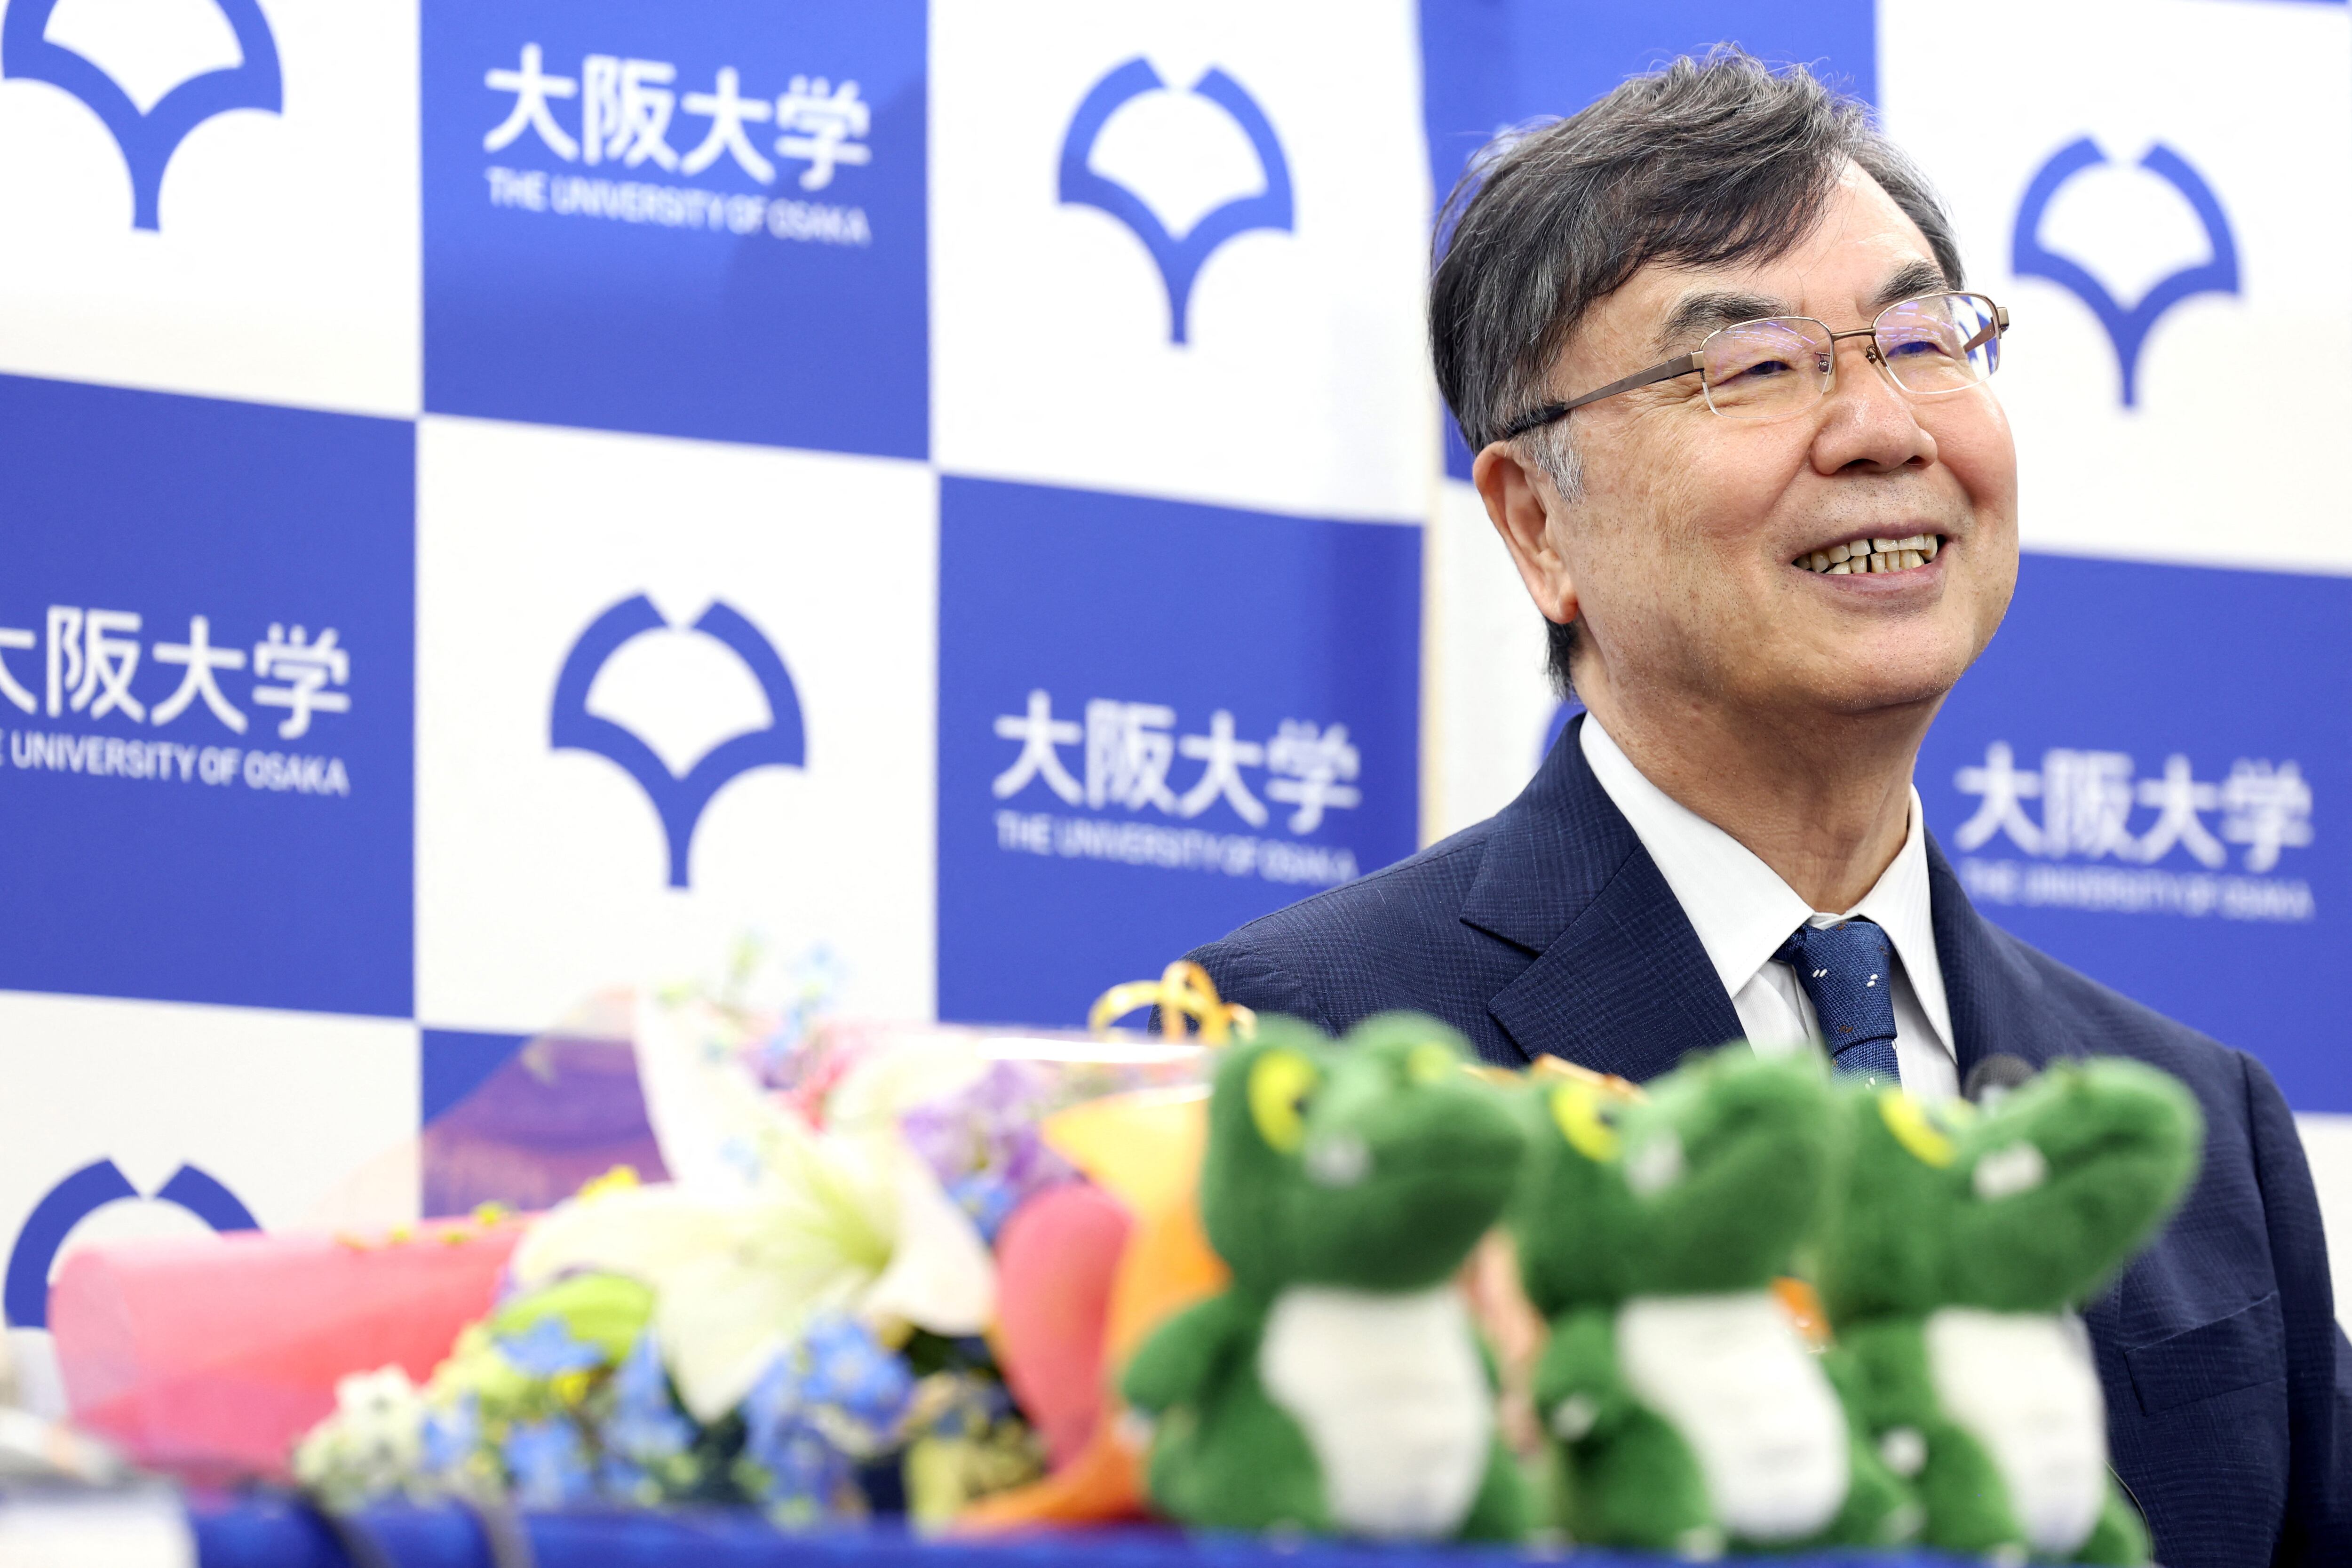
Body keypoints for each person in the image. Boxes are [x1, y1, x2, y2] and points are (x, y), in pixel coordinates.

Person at [1184, 52, 2349, 1565]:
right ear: (1540, 524)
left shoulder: (2199, 1130)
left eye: (1924, 339)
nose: (1882, 427)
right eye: (1751, 367)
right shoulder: (1304, 1057)